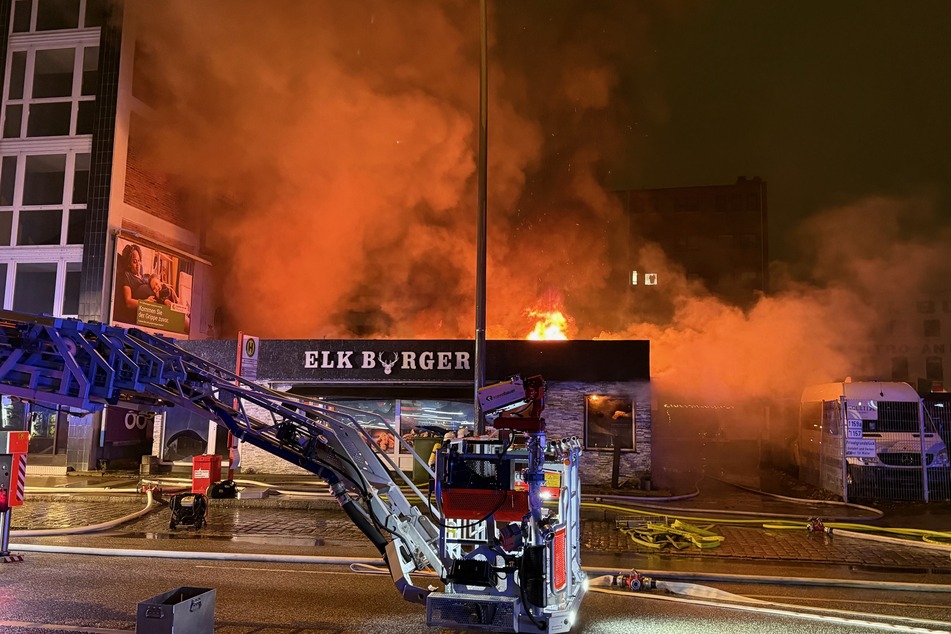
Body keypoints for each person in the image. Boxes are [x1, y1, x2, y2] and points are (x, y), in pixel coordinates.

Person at [114, 244, 150, 324]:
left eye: (139, 260)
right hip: (146, 315)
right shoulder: (127, 276)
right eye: (134, 261)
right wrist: (145, 303)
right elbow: (128, 302)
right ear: (129, 264)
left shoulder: (145, 277)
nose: (138, 265)